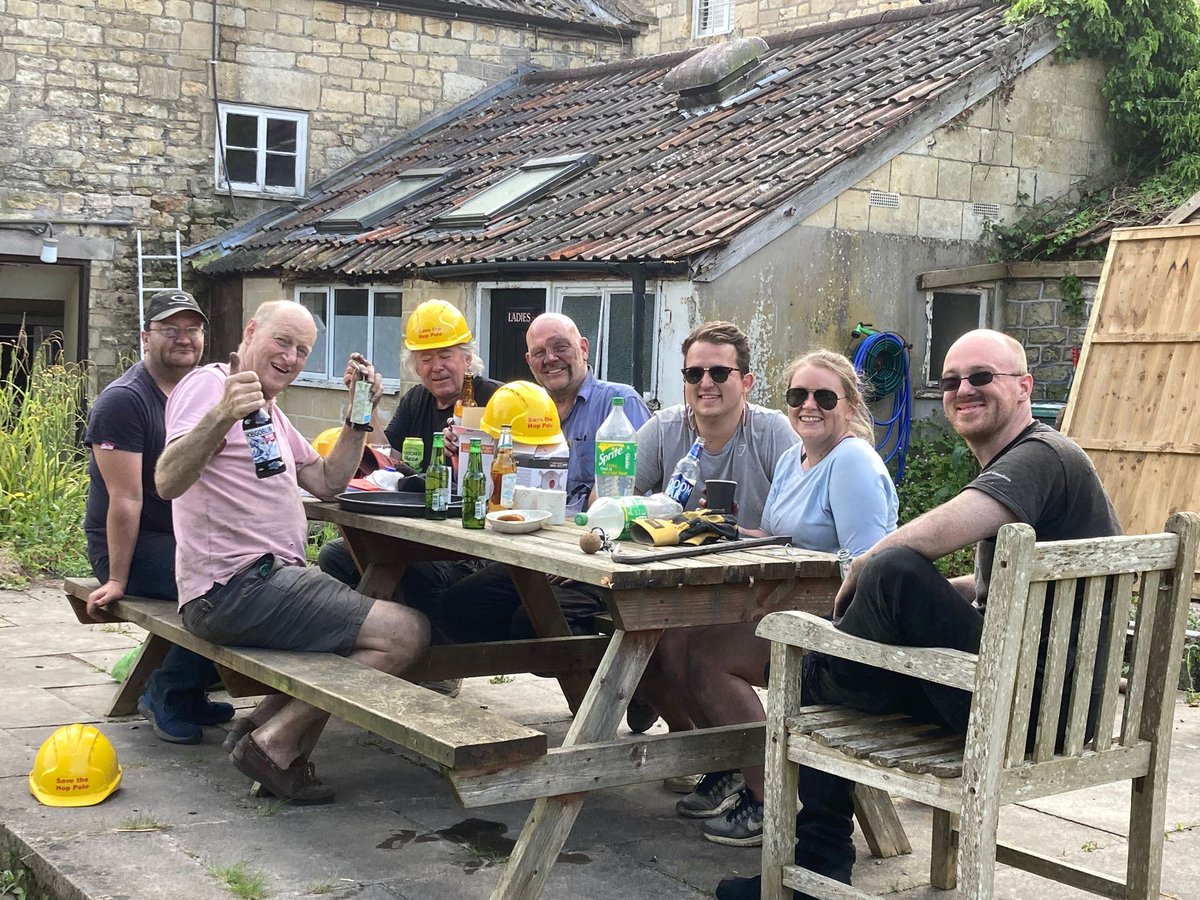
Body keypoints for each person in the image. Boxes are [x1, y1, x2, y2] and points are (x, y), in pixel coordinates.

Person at [714, 329, 1120, 900]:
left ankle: (821, 858)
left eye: (982, 377)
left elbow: (934, 534)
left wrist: (868, 567)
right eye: (951, 380)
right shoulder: (1036, 464)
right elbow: (989, 585)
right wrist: (919, 592)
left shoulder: (1041, 454)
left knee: (870, 599)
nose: (962, 390)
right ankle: (820, 853)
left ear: (1025, 387)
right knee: (856, 628)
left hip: (1021, 711)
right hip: (1047, 702)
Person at [156, 300, 429, 805]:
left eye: (303, 351)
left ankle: (256, 729)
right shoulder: (211, 384)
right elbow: (168, 480)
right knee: (405, 633)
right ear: (251, 331)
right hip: (235, 585)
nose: (291, 357)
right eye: (282, 341)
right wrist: (221, 414)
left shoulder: (272, 413)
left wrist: (359, 411)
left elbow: (326, 482)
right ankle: (276, 744)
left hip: (261, 583)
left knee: (352, 623)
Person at [675, 350, 897, 848]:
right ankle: (732, 764)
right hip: (785, 610)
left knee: (711, 659)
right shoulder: (792, 458)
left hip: (840, 626)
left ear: (849, 403)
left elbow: (867, 565)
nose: (809, 406)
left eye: (824, 396)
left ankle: (768, 800)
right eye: (799, 396)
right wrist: (731, 532)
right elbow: (784, 540)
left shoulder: (852, 460)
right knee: (675, 639)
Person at [630, 320, 798, 780]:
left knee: (683, 643)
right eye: (693, 374)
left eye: (719, 373)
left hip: (761, 587)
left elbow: (797, 524)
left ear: (745, 381)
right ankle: (709, 757)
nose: (705, 383)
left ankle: (750, 777)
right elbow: (614, 499)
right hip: (684, 585)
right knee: (636, 635)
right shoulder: (663, 429)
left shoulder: (773, 433)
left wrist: (729, 531)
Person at [435, 312, 651, 643]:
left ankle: (617, 687)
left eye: (560, 347)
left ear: (583, 348)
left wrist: (572, 553)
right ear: (529, 360)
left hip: (593, 558)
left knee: (533, 622)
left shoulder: (619, 404)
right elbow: (494, 478)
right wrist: (464, 445)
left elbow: (625, 496)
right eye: (539, 353)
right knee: (456, 607)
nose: (550, 359)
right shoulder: (522, 406)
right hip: (530, 552)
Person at [83, 289, 234, 744]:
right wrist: (117, 578)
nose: (184, 339)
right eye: (171, 330)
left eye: (193, 330)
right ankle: (166, 691)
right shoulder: (124, 401)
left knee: (262, 574)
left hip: (189, 539)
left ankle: (189, 690)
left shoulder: (207, 391)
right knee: (228, 589)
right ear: (146, 337)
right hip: (134, 544)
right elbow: (125, 500)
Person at [318, 299, 500, 623]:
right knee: (335, 556)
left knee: (411, 573)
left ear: (468, 359)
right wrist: (364, 401)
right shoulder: (416, 399)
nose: (436, 366)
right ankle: (382, 642)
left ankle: (428, 657)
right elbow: (388, 460)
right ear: (415, 366)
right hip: (413, 534)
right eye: (426, 358)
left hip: (469, 547)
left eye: (446, 355)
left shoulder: (495, 399)